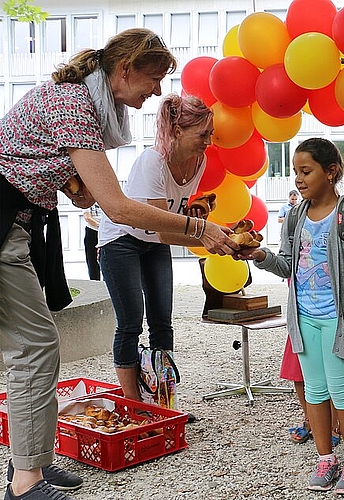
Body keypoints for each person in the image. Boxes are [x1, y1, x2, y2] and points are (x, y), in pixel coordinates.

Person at [0, 28, 236, 500]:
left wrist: (71, 184)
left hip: (21, 222)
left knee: (37, 345)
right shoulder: (74, 106)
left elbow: (69, 181)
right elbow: (119, 209)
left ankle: (33, 465)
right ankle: (25, 482)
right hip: (5, 223)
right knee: (35, 346)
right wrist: (198, 230)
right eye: (152, 78)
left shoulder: (81, 102)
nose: (156, 91)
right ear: (124, 70)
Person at [235, 138, 344, 495]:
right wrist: (260, 256)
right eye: (295, 172)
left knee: (342, 391)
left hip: (338, 320)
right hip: (303, 318)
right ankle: (325, 457)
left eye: (306, 171)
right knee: (314, 391)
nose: (298, 179)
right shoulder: (297, 215)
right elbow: (287, 264)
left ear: (330, 172)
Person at [98, 93, 215, 419]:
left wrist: (202, 221)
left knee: (163, 323)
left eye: (210, 134)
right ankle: (135, 407)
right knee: (131, 322)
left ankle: (163, 404)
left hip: (153, 242)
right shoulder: (153, 161)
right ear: (177, 131)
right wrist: (206, 233)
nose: (208, 141)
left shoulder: (198, 161)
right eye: (202, 134)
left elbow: (175, 213)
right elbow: (164, 228)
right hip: (121, 241)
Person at [82, 204, 103, 280]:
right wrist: (100, 227)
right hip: (92, 231)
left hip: (106, 232)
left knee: (107, 260)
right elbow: (87, 217)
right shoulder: (87, 199)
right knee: (92, 262)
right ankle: (95, 283)